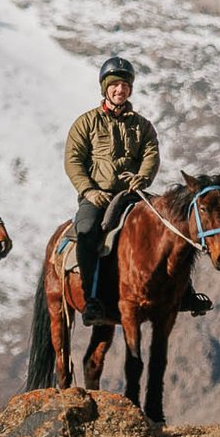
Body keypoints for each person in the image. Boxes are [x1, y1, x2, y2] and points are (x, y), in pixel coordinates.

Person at [64, 56, 164, 325]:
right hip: (99, 197)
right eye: (115, 85)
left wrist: (143, 177)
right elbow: (73, 159)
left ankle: (184, 292)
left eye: (125, 85)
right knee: (86, 232)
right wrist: (88, 191)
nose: (120, 90)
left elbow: (151, 154)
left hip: (133, 195)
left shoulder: (142, 126)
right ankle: (92, 299)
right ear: (105, 88)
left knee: (171, 222)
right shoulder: (86, 123)